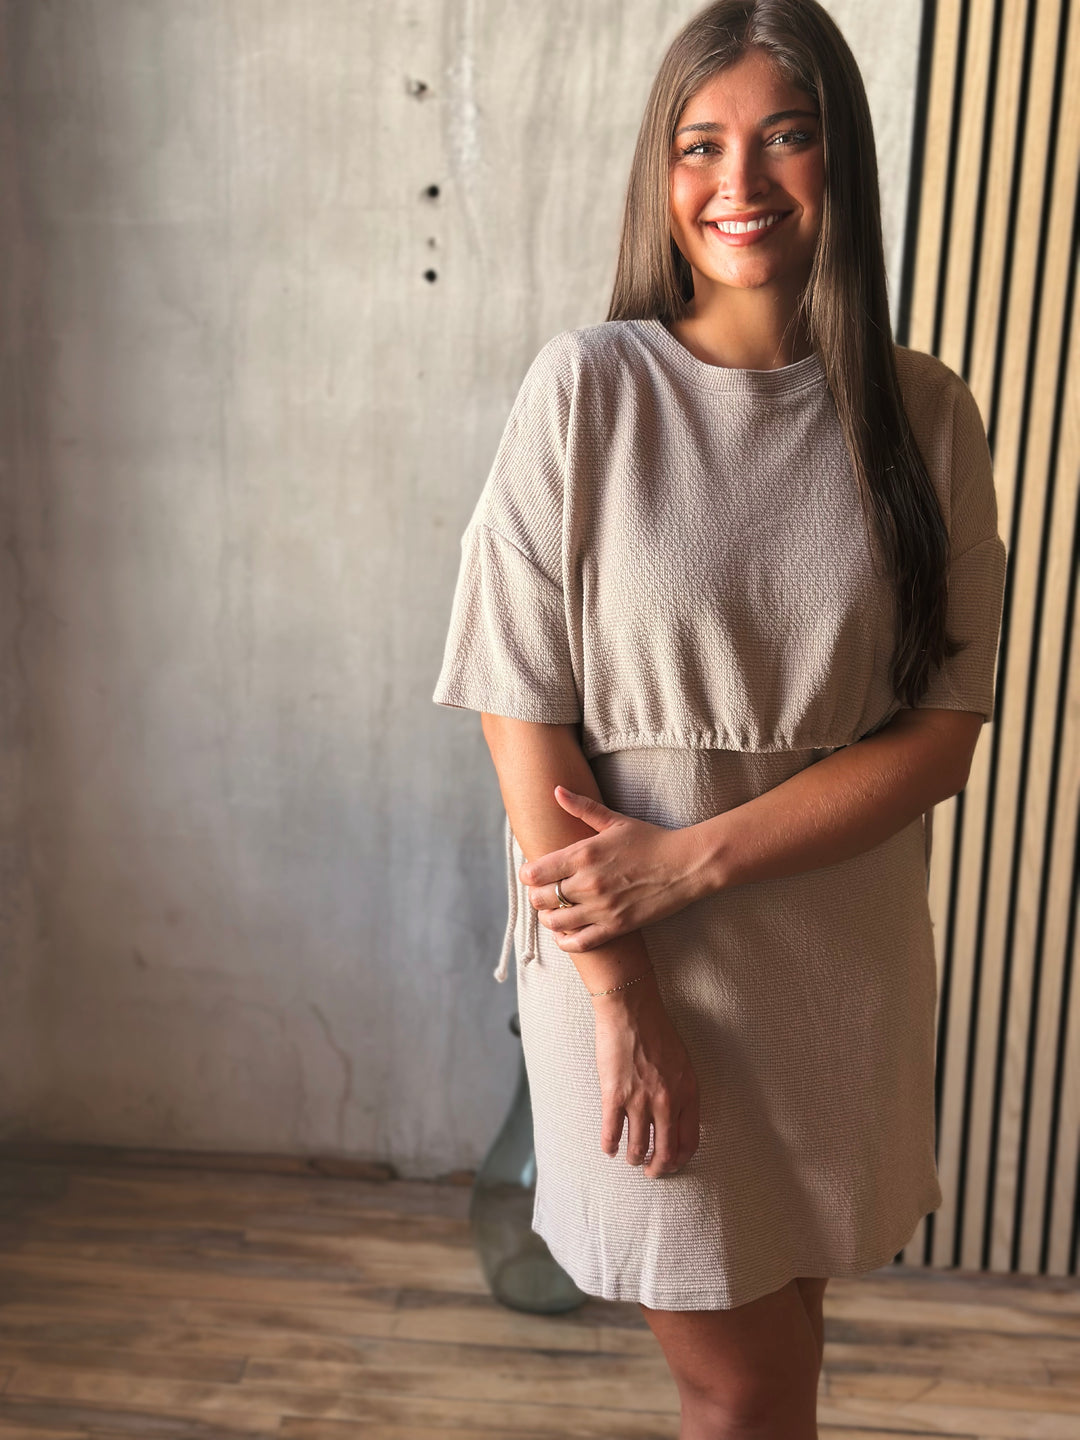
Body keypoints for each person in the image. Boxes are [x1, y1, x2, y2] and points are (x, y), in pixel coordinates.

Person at [432, 0, 1007, 1434]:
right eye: (701, 144)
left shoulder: (929, 418)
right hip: (631, 961)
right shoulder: (590, 390)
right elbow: (521, 711)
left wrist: (694, 857)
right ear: (661, 172)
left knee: (786, 1339)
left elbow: (940, 730)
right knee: (742, 1391)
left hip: (835, 956)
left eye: (785, 137)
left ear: (842, 165)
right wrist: (622, 997)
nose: (738, 182)